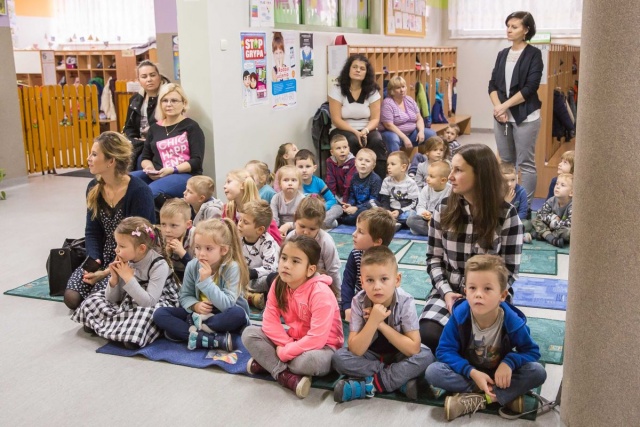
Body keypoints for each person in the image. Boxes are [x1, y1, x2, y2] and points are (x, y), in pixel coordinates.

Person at [419, 144, 523, 353]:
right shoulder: (443, 208)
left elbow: (510, 270)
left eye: (458, 170)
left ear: (480, 174)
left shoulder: (507, 215)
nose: (450, 177)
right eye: (452, 169)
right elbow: (434, 259)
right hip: (449, 292)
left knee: (497, 344)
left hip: (488, 296)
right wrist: (447, 293)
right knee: (429, 334)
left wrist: (479, 298)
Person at [425, 254, 546, 421]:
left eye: (487, 289)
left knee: (538, 372)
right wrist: (471, 372)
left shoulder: (512, 321)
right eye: (472, 288)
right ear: (465, 292)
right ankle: (504, 396)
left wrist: (509, 363)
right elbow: (444, 351)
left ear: (502, 295)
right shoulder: (459, 316)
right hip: (470, 374)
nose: (478, 294)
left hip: (500, 375)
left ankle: (479, 399)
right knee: (433, 372)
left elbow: (532, 352)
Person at [241, 236, 344, 399]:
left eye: (295, 261)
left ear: (310, 270)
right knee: (249, 334)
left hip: (323, 349)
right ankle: (284, 375)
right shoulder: (279, 283)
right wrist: (287, 345)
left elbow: (317, 338)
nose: (286, 265)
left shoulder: (320, 293)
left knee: (307, 362)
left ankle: (269, 364)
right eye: (284, 258)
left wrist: (285, 352)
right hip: (293, 341)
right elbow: (269, 322)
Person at [64, 132, 155, 310]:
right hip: (103, 255)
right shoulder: (93, 187)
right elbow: (92, 231)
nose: (88, 158)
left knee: (97, 302)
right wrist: (94, 260)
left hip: (130, 260)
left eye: (94, 154)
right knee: (71, 298)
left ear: (111, 161)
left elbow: (141, 243)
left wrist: (107, 272)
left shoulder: (139, 192)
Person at [332, 247, 434, 402]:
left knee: (426, 356)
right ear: (362, 282)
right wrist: (372, 322)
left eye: (384, 279)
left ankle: (369, 385)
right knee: (339, 358)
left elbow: (413, 348)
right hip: (370, 356)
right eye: (370, 280)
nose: (377, 286)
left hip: (399, 354)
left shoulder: (406, 301)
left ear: (397, 280)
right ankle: (398, 380)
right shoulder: (358, 301)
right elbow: (356, 350)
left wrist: (381, 324)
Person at [72, 217, 179, 348]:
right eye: (117, 244)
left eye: (122, 246)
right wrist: (114, 279)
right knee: (93, 300)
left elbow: (149, 302)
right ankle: (123, 330)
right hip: (132, 299)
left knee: (147, 315)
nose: (116, 250)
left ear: (141, 248)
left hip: (155, 301)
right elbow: (113, 299)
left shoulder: (159, 265)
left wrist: (128, 278)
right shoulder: (127, 258)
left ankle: (117, 329)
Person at [152, 218, 250, 351]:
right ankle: (209, 338)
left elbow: (228, 305)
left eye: (209, 248)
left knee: (238, 314)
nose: (201, 253)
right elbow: (185, 296)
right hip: (197, 314)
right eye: (198, 247)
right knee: (160, 314)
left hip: (222, 314)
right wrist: (195, 305)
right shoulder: (192, 265)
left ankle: (192, 333)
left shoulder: (232, 267)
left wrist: (206, 282)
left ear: (223, 250)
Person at [489, 11, 543, 208]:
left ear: (526, 30)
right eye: (508, 26)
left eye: (514, 27)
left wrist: (504, 106)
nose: (509, 30)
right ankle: (505, 204)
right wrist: (498, 108)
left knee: (525, 163)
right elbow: (492, 85)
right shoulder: (502, 54)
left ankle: (524, 208)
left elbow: (530, 88)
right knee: (505, 162)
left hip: (526, 116)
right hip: (502, 116)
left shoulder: (534, 54)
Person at [130, 83, 205, 206]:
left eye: (174, 100)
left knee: (149, 192)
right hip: (158, 173)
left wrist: (172, 170)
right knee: (125, 181)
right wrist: (150, 169)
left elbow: (196, 161)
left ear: (184, 103)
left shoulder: (191, 126)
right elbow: (145, 157)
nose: (169, 104)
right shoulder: (154, 128)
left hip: (184, 175)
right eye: (165, 100)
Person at [328, 54, 388, 178]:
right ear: (348, 69)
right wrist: (355, 132)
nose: (358, 70)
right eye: (354, 67)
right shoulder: (337, 89)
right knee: (352, 141)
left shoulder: (372, 91)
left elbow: (375, 119)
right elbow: (336, 119)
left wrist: (365, 130)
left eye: (362, 68)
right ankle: (353, 181)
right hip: (342, 129)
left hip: (367, 129)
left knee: (377, 141)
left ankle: (379, 181)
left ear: (366, 73)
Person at [341, 208, 396, 322]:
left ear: (377, 242)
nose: (354, 234)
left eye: (360, 232)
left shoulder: (387, 261)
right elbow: (347, 282)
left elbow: (389, 290)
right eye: (356, 229)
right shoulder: (355, 254)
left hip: (382, 302)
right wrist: (347, 307)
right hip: (360, 301)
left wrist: (377, 308)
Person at [286, 196, 342, 300]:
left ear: (320, 226)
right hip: (295, 282)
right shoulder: (290, 238)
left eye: (312, 229)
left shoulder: (325, 241)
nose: (306, 232)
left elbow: (333, 270)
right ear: (295, 220)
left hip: (318, 285)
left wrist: (338, 298)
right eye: (302, 226)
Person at [122, 60, 170, 170]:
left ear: (159, 76)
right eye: (144, 76)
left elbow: (171, 126)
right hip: (139, 143)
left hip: (159, 143)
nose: (149, 79)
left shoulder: (167, 98)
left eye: (152, 75)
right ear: (139, 80)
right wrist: (134, 139)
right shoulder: (135, 99)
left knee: (139, 161)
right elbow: (129, 126)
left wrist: (148, 141)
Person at [379, 75, 436, 158]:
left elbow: (419, 118)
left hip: (412, 133)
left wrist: (421, 131)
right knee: (393, 138)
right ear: (392, 90)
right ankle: (396, 162)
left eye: (403, 87)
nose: (402, 90)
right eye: (398, 88)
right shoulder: (387, 103)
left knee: (431, 134)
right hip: (394, 134)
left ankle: (432, 161)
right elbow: (388, 125)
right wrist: (404, 138)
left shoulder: (409, 100)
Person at [238, 200, 280, 310]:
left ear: (260, 229)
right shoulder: (238, 238)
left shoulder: (267, 242)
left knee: (272, 279)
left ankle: (250, 296)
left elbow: (270, 267)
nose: (240, 224)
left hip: (259, 278)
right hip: (244, 279)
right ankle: (252, 298)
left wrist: (251, 273)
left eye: (245, 222)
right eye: (240, 220)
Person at [222, 169, 282, 245]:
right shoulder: (227, 209)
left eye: (229, 182)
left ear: (242, 185)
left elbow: (272, 240)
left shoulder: (259, 211)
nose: (224, 186)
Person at [295, 149, 342, 229]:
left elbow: (332, 200)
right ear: (295, 168)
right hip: (303, 215)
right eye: (300, 167)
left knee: (338, 208)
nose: (304, 170)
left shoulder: (319, 182)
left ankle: (321, 223)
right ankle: (319, 225)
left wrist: (321, 208)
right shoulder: (295, 183)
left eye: (308, 166)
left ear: (314, 168)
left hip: (319, 212)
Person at [406, 161, 452, 236]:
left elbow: (450, 212)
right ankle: (436, 232)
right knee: (410, 219)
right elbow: (420, 206)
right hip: (426, 219)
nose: (427, 178)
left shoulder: (451, 191)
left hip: (441, 220)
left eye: (431, 176)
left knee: (451, 223)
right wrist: (425, 213)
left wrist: (434, 217)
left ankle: (431, 231)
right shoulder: (425, 189)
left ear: (443, 180)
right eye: (428, 175)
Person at [527, 173, 572, 247]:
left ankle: (543, 235)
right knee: (535, 220)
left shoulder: (572, 205)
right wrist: (552, 217)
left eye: (562, 185)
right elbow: (540, 213)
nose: (557, 187)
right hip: (550, 226)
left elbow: (571, 222)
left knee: (570, 232)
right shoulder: (552, 200)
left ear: (571, 193)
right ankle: (551, 239)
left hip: (561, 229)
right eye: (557, 184)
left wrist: (555, 224)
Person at [340, 148, 382, 226]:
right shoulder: (354, 177)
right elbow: (352, 196)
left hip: (369, 208)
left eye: (367, 161)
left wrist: (357, 208)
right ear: (355, 163)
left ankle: (343, 220)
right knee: (338, 207)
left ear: (373, 166)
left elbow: (374, 200)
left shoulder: (376, 179)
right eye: (360, 160)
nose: (363, 163)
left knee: (364, 212)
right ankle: (345, 218)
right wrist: (349, 205)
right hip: (357, 207)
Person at [379, 151, 419, 230]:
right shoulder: (386, 181)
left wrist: (399, 211)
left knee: (412, 215)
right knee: (373, 204)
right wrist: (387, 211)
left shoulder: (411, 183)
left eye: (392, 164)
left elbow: (414, 203)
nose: (389, 167)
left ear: (403, 167)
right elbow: (384, 199)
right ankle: (392, 222)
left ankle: (394, 223)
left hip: (403, 212)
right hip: (389, 212)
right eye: (388, 164)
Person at [159, 198, 193, 282]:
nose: (167, 230)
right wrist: (166, 253)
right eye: (163, 224)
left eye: (173, 225)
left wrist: (182, 253)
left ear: (188, 224)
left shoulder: (195, 237)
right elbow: (157, 269)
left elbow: (197, 270)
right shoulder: (161, 237)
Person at [270, 165, 305, 237]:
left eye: (293, 180)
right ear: (280, 184)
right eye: (286, 180)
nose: (290, 183)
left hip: (297, 228)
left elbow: (304, 222)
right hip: (280, 229)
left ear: (299, 184)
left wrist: (288, 225)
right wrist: (277, 232)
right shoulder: (276, 198)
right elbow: (274, 219)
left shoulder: (302, 199)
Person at [325, 134, 356, 204]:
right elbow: (330, 181)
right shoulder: (330, 162)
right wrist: (331, 198)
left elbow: (348, 183)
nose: (342, 151)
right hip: (338, 195)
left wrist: (345, 201)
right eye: (338, 148)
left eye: (345, 147)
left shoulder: (352, 162)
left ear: (349, 149)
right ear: (332, 152)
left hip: (351, 195)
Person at [500, 162, 529, 227]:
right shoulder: (497, 192)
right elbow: (497, 213)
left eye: (513, 180)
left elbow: (523, 213)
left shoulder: (521, 192)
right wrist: (506, 203)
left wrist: (512, 221)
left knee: (527, 224)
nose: (510, 184)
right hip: (501, 221)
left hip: (516, 221)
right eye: (505, 181)